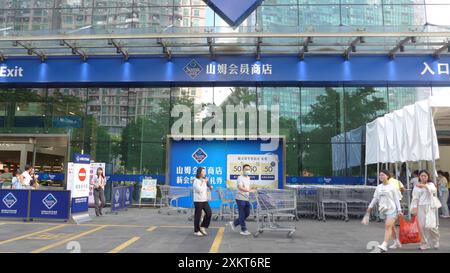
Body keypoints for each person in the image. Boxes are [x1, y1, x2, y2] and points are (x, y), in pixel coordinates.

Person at [367, 169, 403, 252]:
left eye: (383, 175)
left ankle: (384, 244)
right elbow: (375, 198)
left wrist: (399, 210)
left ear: (387, 176)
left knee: (387, 226)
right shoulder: (379, 187)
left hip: (392, 209)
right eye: (380, 175)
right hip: (383, 209)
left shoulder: (392, 187)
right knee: (391, 227)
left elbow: (397, 199)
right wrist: (370, 206)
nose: (381, 176)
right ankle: (396, 242)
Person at [411, 170, 440, 250]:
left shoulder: (431, 184)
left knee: (431, 225)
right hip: (420, 207)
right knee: (421, 226)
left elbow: (433, 190)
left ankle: (436, 239)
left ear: (428, 177)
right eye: (422, 176)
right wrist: (414, 207)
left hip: (430, 206)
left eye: (425, 176)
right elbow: (415, 198)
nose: (423, 177)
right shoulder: (416, 186)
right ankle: (424, 243)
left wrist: (424, 186)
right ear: (419, 177)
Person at [229, 164, 255, 236]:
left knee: (247, 213)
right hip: (240, 198)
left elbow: (247, 187)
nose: (248, 171)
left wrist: (251, 190)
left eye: (249, 169)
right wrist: (249, 190)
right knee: (242, 214)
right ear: (243, 170)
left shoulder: (248, 178)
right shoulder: (240, 178)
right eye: (246, 169)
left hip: (246, 198)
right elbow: (240, 187)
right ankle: (243, 229)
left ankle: (234, 223)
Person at [192, 167, 212, 236]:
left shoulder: (203, 180)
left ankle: (203, 226)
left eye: (204, 171)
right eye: (203, 172)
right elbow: (199, 190)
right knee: (198, 215)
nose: (204, 173)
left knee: (209, 213)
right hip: (198, 200)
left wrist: (208, 185)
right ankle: (196, 230)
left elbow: (207, 186)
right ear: (199, 173)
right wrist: (204, 182)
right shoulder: (196, 181)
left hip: (204, 200)